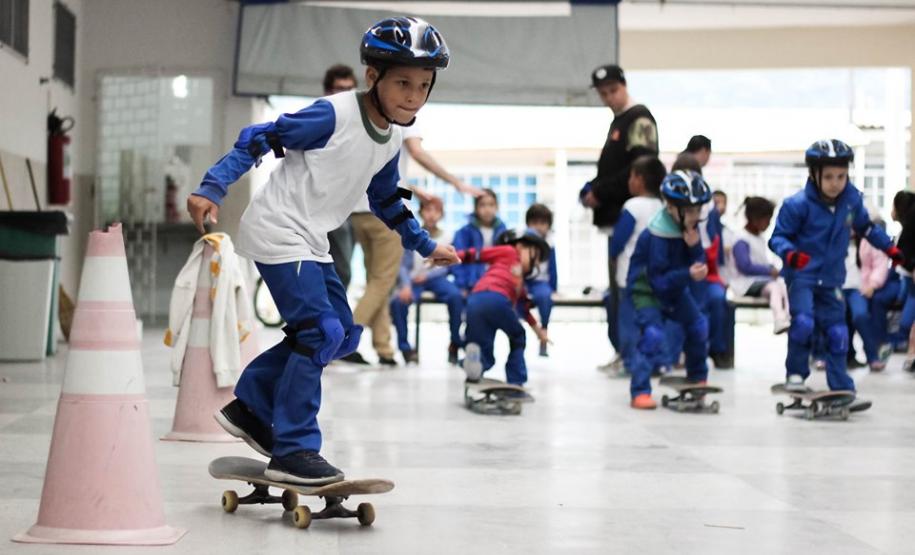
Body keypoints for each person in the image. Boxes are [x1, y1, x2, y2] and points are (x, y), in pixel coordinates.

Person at [188, 17, 458, 485]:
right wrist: (212, 187)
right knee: (319, 332)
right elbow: (259, 138)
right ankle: (294, 448)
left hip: (312, 239)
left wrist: (427, 245)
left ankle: (250, 404)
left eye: (423, 85)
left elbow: (386, 200)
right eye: (402, 83)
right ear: (372, 77)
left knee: (342, 335)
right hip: (278, 230)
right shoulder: (332, 114)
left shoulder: (392, 137)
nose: (413, 96)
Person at [768, 139, 903, 398]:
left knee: (838, 331)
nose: (835, 182)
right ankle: (796, 375)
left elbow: (867, 228)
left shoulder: (851, 202)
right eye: (828, 176)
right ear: (813, 174)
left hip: (832, 278)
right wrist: (790, 255)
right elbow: (777, 238)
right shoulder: (797, 205)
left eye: (841, 176)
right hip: (802, 277)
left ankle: (840, 383)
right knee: (804, 323)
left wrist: (890, 248)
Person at [579, 64, 659, 370]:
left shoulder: (638, 119)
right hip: (616, 215)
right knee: (619, 289)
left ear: (624, 86)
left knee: (631, 290)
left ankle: (634, 354)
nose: (608, 98)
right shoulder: (620, 122)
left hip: (632, 219)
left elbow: (641, 167)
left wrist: (601, 191)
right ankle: (627, 351)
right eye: (603, 94)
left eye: (613, 91)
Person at [626, 170, 713, 409]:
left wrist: (695, 249)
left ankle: (697, 379)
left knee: (698, 326)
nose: (696, 216)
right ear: (672, 208)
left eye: (698, 210)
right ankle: (640, 391)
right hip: (647, 292)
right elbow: (658, 281)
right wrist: (688, 274)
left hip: (674, 289)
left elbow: (698, 264)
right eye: (691, 210)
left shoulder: (688, 228)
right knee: (653, 335)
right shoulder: (658, 234)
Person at [459, 230, 551, 391]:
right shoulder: (509, 251)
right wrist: (450, 255)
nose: (535, 265)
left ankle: (475, 364)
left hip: (475, 302)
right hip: (497, 300)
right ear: (521, 246)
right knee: (518, 336)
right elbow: (478, 254)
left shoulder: (520, 282)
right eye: (535, 257)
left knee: (482, 344)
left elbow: (525, 309)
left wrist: (539, 332)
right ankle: (516, 381)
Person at [608, 155, 665, 375]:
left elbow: (619, 239)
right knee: (652, 319)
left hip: (630, 276)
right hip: (656, 274)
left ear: (640, 179)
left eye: (632, 176)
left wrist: (613, 255)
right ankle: (657, 361)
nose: (629, 180)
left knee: (629, 321)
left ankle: (630, 362)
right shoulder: (662, 206)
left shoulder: (632, 206)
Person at [390, 195, 464, 364]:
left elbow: (451, 265)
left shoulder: (449, 237)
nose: (431, 214)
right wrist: (406, 285)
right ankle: (406, 349)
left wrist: (429, 275)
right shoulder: (411, 234)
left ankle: (454, 342)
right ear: (421, 212)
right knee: (397, 302)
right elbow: (403, 265)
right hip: (415, 280)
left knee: (455, 297)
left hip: (437, 279)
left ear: (441, 214)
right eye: (427, 210)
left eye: (436, 211)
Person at [729, 196, 790, 334]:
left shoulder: (759, 238)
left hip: (760, 282)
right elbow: (745, 266)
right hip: (745, 283)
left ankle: (787, 316)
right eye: (767, 220)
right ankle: (779, 318)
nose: (769, 224)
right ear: (755, 218)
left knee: (782, 286)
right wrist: (769, 271)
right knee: (774, 287)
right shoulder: (741, 238)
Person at [322, 64, 359, 290]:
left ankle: (329, 321)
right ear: (329, 91)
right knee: (339, 271)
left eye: (349, 88)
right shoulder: (321, 118)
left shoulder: (360, 122)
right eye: (339, 88)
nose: (345, 93)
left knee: (342, 271)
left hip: (354, 208)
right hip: (323, 205)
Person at [452, 189, 507, 295]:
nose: (487, 209)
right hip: (471, 283)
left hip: (496, 281)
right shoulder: (464, 232)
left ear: (497, 207)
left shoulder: (503, 231)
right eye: (482, 205)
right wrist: (462, 284)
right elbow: (456, 259)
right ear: (476, 208)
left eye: (491, 205)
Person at [523, 203, 558, 357]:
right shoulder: (522, 241)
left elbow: (553, 269)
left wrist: (554, 288)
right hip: (523, 280)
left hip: (540, 282)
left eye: (542, 223)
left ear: (548, 226)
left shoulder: (549, 245)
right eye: (534, 223)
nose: (538, 227)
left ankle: (544, 330)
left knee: (545, 297)